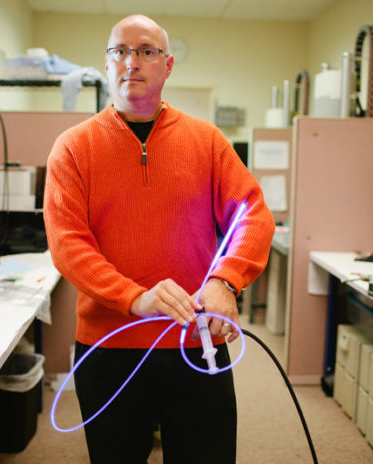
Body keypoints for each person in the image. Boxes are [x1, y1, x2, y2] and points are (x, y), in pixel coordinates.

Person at [43, 14, 274, 464]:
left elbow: (253, 214)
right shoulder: (73, 148)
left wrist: (225, 282)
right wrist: (135, 298)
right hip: (109, 348)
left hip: (195, 342)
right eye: (120, 51)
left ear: (167, 66)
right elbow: (68, 244)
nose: (132, 61)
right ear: (106, 65)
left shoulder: (206, 141)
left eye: (146, 51)